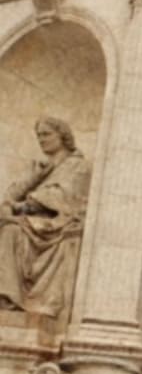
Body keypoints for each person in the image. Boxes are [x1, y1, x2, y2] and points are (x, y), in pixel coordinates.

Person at [0, 118, 90, 322]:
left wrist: (22, 206)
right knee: (9, 227)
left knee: (11, 231)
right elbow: (10, 195)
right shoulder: (40, 167)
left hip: (56, 224)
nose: (41, 140)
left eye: (46, 134)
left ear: (63, 136)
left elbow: (60, 197)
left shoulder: (78, 166)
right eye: (39, 135)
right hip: (33, 223)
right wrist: (35, 177)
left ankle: (8, 297)